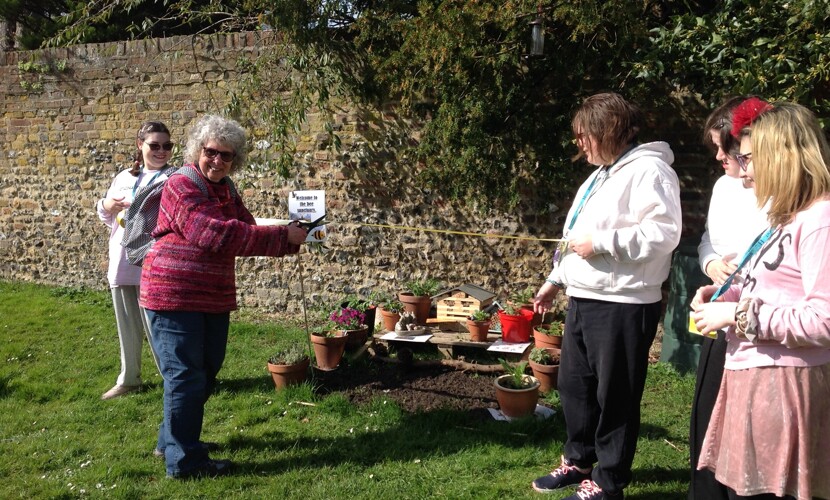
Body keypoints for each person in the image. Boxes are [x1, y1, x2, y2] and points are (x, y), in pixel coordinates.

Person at [530, 92, 682, 499]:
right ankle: (579, 460)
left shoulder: (651, 171)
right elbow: (572, 234)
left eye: (584, 136)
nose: (579, 144)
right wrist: (554, 279)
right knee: (574, 386)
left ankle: (609, 478)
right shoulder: (599, 176)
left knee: (614, 394)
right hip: (583, 297)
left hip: (625, 303)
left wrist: (603, 242)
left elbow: (664, 234)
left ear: (608, 131)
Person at [140, 114, 308, 479]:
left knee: (206, 371)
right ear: (197, 150)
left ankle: (171, 440)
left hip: (212, 295)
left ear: (235, 160)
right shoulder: (180, 184)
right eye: (211, 152)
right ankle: (185, 464)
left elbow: (245, 227)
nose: (217, 160)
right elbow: (213, 234)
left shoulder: (227, 189)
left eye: (226, 155)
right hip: (173, 294)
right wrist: (283, 239)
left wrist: (294, 229)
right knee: (185, 376)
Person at [691, 103, 830, 500]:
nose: (743, 168)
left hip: (785, 386)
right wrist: (724, 293)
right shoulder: (787, 216)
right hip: (753, 378)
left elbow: (824, 320)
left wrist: (735, 313)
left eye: (748, 158)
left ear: (782, 155)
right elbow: (774, 287)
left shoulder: (821, 219)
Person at [689, 97, 769, 500]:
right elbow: (707, 241)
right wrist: (712, 265)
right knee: (707, 414)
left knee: (744, 427)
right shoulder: (723, 186)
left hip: (757, 328)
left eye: (727, 149)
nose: (720, 157)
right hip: (721, 311)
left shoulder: (775, 192)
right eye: (717, 149)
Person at [95, 121, 172, 400]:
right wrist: (107, 205)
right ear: (140, 145)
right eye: (155, 145)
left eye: (167, 146)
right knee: (126, 324)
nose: (161, 151)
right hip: (121, 260)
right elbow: (105, 215)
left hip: (155, 261)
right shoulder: (125, 177)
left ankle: (172, 380)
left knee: (158, 327)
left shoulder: (172, 178)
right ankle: (129, 379)